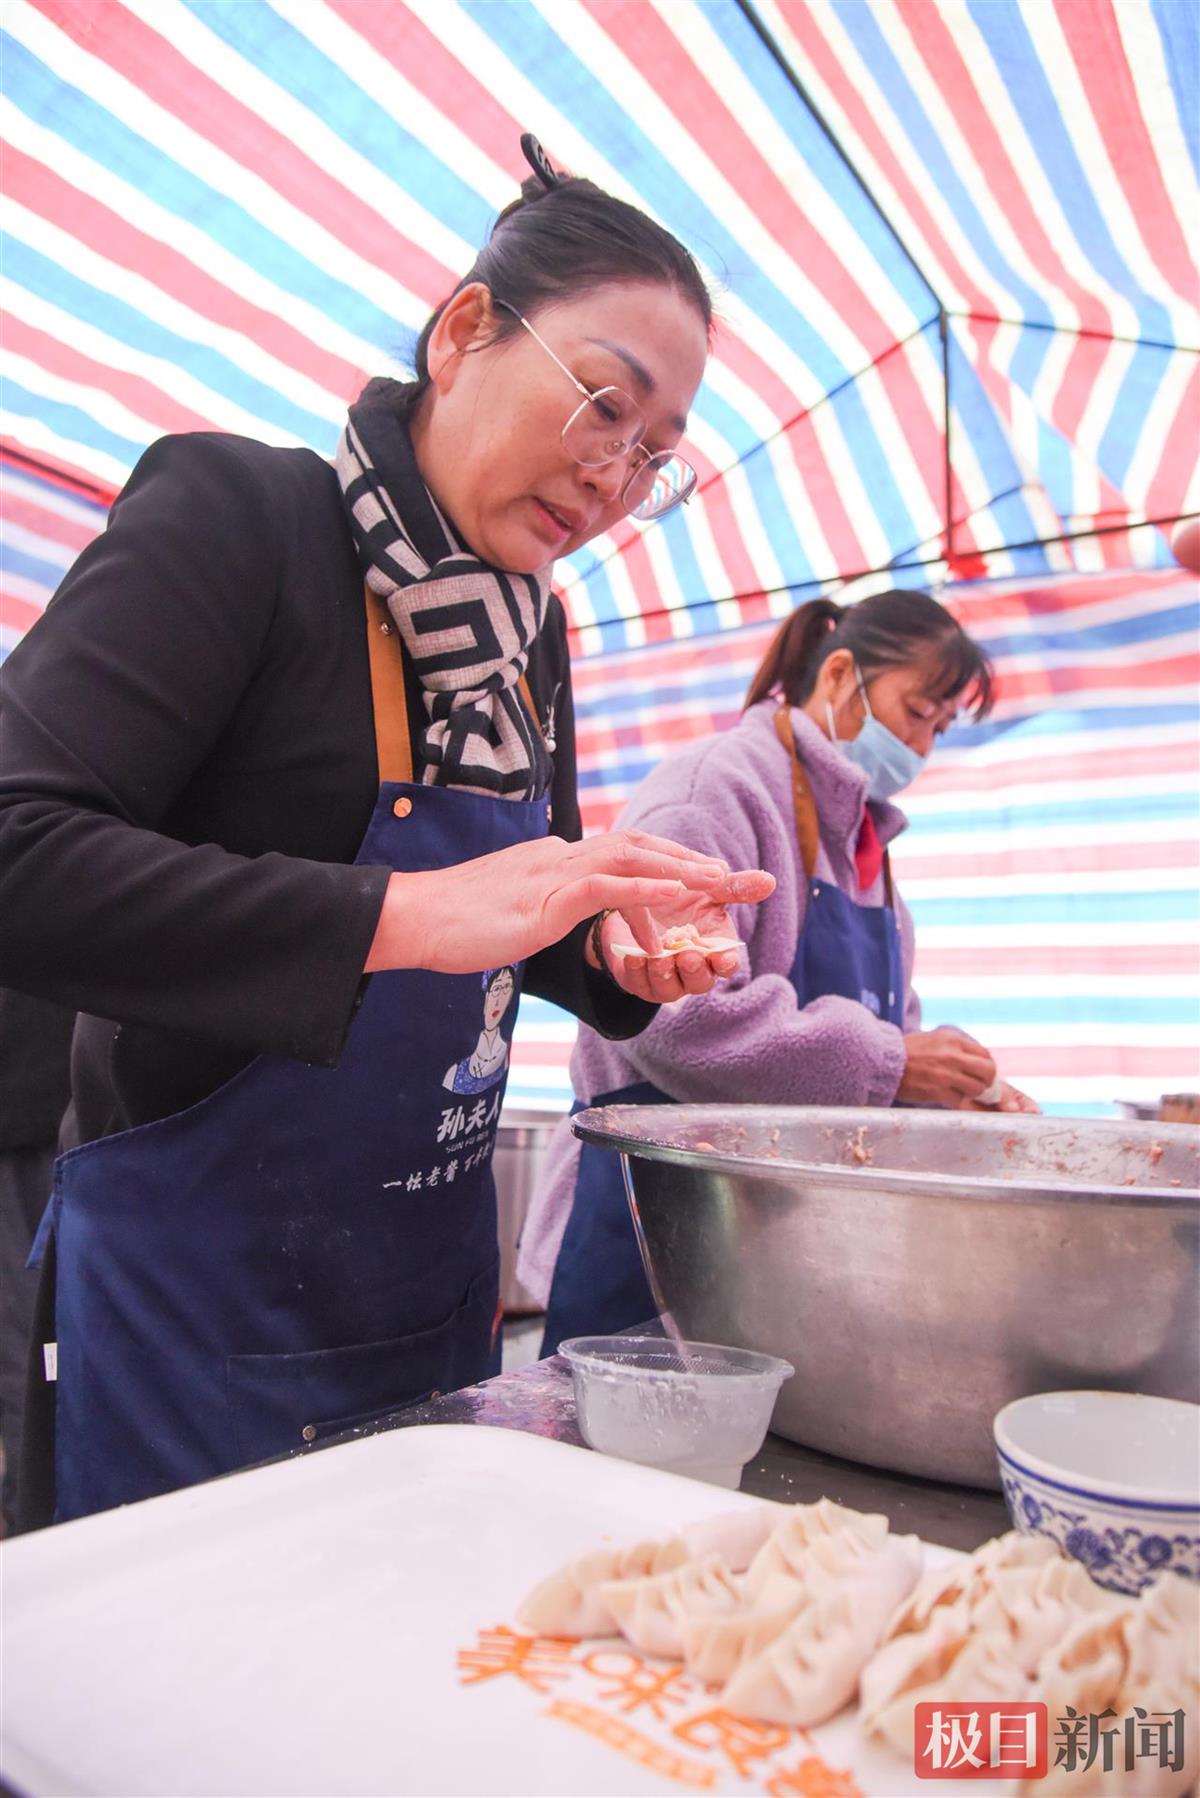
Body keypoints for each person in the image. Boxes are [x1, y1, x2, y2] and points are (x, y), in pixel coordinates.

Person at [0, 136, 774, 1526]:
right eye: (605, 403)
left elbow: (524, 903)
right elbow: (17, 846)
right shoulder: (245, 522)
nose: (614, 476)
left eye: (655, 455)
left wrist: (615, 945)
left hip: (420, 1296)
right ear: (467, 329)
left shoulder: (534, 634)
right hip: (199, 1310)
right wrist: (408, 917)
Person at [522, 588, 1039, 1353]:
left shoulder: (869, 852)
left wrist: (950, 1094)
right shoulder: (716, 791)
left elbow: (893, 1042)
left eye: (939, 728)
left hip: (792, 1241)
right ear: (838, 676)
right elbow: (667, 1010)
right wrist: (893, 1065)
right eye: (916, 712)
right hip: (652, 1217)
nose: (922, 748)